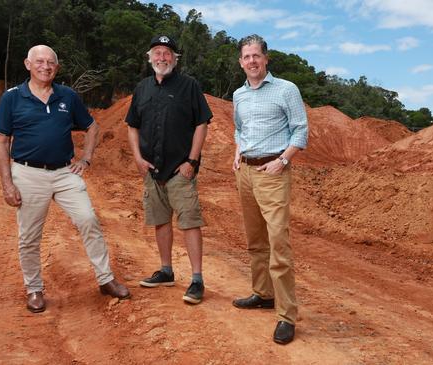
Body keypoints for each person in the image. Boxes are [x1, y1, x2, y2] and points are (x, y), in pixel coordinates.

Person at [0, 45, 130, 313]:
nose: (45, 66)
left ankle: (105, 280)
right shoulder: (11, 98)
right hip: (28, 172)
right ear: (28, 64)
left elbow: (92, 127)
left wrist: (86, 159)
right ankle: (34, 289)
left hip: (65, 172)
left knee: (88, 219)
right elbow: (1, 141)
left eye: (51, 63)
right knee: (30, 235)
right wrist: (7, 183)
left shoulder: (68, 96)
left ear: (57, 67)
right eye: (40, 61)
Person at [231, 34, 309, 344]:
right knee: (255, 240)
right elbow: (239, 127)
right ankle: (262, 294)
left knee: (278, 242)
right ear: (241, 62)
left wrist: (283, 161)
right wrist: (237, 150)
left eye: (256, 56)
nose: (251, 61)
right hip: (246, 172)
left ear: (266, 59)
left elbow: (300, 129)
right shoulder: (239, 94)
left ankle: (286, 315)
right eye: (246, 57)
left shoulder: (286, 89)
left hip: (273, 172)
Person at [125, 35, 212, 305]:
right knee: (161, 220)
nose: (162, 57)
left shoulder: (189, 86)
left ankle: (197, 279)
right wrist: (138, 158)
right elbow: (132, 125)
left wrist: (192, 161)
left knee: (190, 222)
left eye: (167, 53)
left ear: (175, 59)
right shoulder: (142, 88)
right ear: (149, 57)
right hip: (152, 169)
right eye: (157, 52)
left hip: (180, 169)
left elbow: (201, 123)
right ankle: (166, 271)